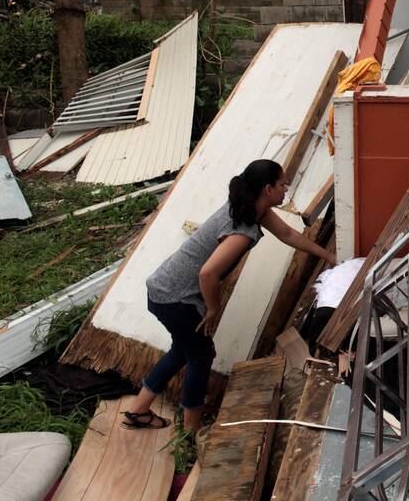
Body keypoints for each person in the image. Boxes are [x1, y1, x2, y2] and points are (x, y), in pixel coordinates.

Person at [121, 159, 335, 432]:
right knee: (200, 356)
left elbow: (288, 234)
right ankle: (192, 432)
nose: (286, 189)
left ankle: (138, 411)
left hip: (164, 287)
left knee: (183, 350)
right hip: (175, 298)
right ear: (268, 189)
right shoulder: (241, 230)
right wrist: (212, 309)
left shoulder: (252, 209)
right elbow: (207, 274)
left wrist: (328, 256)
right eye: (283, 184)